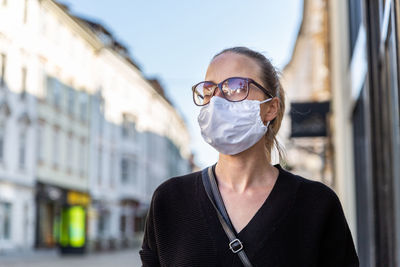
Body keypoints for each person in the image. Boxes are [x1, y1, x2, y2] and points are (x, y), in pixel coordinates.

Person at [139, 47, 359, 266]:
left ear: (271, 108)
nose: (216, 100)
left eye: (235, 87)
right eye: (208, 90)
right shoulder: (169, 201)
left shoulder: (317, 204)